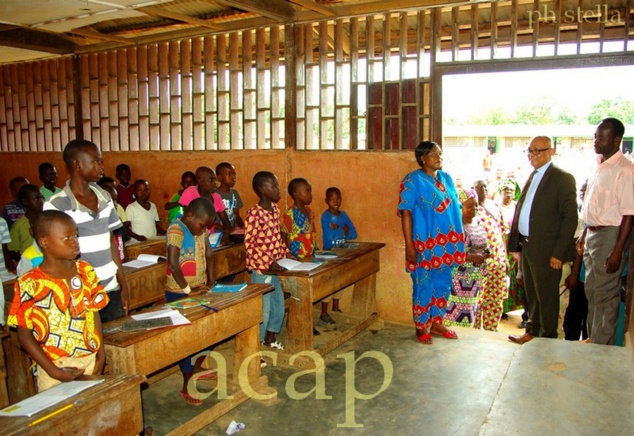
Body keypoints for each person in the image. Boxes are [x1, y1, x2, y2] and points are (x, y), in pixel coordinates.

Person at [7, 210, 109, 391]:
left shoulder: (85, 271)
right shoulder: (30, 283)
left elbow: (94, 314)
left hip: (89, 358)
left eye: (76, 235)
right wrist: (53, 371)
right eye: (67, 238)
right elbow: (24, 334)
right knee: (60, 416)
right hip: (54, 366)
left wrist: (101, 354)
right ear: (44, 242)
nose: (75, 242)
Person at [44, 139, 129, 323]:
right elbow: (54, 255)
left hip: (111, 289)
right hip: (80, 293)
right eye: (96, 161)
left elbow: (111, 241)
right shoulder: (56, 205)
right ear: (77, 164)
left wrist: (123, 284)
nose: (102, 167)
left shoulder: (104, 196)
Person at [507, 136, 577, 344]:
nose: (532, 155)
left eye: (538, 151)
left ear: (551, 151)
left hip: (548, 250)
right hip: (528, 246)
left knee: (546, 297)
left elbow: (570, 218)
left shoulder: (562, 177)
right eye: (530, 151)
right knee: (532, 294)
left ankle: (547, 340)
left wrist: (558, 253)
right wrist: (516, 244)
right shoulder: (533, 176)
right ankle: (533, 332)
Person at [398, 141, 465, 344]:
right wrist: (410, 245)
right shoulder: (412, 180)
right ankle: (421, 326)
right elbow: (406, 212)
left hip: (447, 245)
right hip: (424, 245)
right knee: (423, 284)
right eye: (434, 154)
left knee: (443, 285)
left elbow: (455, 209)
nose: (439, 157)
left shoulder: (447, 179)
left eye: (440, 153)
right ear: (422, 158)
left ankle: (437, 322)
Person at [578, 118, 634, 345]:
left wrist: (617, 250)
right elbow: (592, 205)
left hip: (610, 236)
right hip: (592, 234)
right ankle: (594, 340)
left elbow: (629, 214)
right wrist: (584, 233)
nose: (596, 141)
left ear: (617, 140)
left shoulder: (625, 170)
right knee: (592, 292)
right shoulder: (599, 165)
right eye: (595, 136)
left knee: (605, 295)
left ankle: (603, 348)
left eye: (601, 137)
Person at [165, 197, 217, 405]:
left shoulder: (200, 229)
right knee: (187, 340)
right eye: (202, 225)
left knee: (212, 331)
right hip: (178, 292)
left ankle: (195, 368)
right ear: (190, 216)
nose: (203, 230)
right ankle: (187, 384)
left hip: (199, 289)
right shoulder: (176, 230)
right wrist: (187, 290)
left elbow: (210, 254)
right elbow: (173, 264)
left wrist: (212, 281)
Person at [245, 171, 289, 351]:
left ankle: (269, 338)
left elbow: (277, 238)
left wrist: (287, 254)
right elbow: (250, 244)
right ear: (263, 189)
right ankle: (256, 348)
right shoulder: (254, 213)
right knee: (264, 309)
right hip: (262, 271)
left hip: (274, 269)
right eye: (274, 186)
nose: (279, 190)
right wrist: (267, 263)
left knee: (278, 304)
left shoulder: (275, 210)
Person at [444, 188, 490, 328]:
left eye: (475, 205)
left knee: (470, 313)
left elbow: (483, 245)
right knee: (456, 316)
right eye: (469, 205)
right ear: (460, 206)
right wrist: (470, 257)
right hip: (458, 281)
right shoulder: (455, 227)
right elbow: (448, 253)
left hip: (474, 281)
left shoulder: (478, 223)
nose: (474, 208)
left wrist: (485, 254)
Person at [473, 179, 509, 332]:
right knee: (477, 297)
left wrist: (505, 257)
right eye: (479, 187)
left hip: (498, 260)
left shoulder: (495, 207)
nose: (483, 190)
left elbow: (502, 234)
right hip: (479, 261)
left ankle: (491, 328)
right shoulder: (469, 209)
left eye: (485, 187)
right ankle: (474, 330)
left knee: (494, 297)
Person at [320, 186, 358, 317]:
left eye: (338, 199)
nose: (335, 202)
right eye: (332, 199)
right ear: (326, 201)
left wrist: (340, 229)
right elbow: (331, 236)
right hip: (329, 254)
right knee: (329, 283)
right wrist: (344, 230)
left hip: (342, 253)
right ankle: (324, 312)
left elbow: (353, 234)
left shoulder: (344, 215)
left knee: (340, 281)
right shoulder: (325, 216)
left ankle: (335, 308)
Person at [179, 166, 231, 244]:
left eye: (215, 179)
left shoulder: (217, 197)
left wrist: (226, 233)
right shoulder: (190, 192)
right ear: (199, 182)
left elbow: (225, 220)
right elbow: (187, 220)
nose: (215, 183)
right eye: (210, 180)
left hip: (209, 239)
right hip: (190, 237)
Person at [498, 179, 526, 323]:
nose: (508, 191)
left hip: (516, 247)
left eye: (510, 189)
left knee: (518, 279)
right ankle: (501, 309)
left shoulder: (517, 207)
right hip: (503, 246)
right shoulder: (497, 207)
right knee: (503, 278)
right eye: (505, 189)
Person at [98, 177, 129, 263]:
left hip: (121, 263)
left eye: (116, 200)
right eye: (111, 201)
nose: (115, 204)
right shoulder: (96, 224)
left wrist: (127, 263)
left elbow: (122, 244)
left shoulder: (116, 220)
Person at [9, 184, 44, 255]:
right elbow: (12, 251)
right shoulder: (19, 225)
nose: (41, 201)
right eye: (36, 199)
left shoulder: (48, 220)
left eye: (42, 198)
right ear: (25, 202)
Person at [215, 162, 245, 230]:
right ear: (219, 178)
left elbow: (236, 216)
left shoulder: (234, 194)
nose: (233, 177)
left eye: (234, 174)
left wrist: (243, 228)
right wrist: (226, 230)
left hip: (231, 231)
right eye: (229, 174)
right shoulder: (214, 195)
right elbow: (211, 222)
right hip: (218, 233)